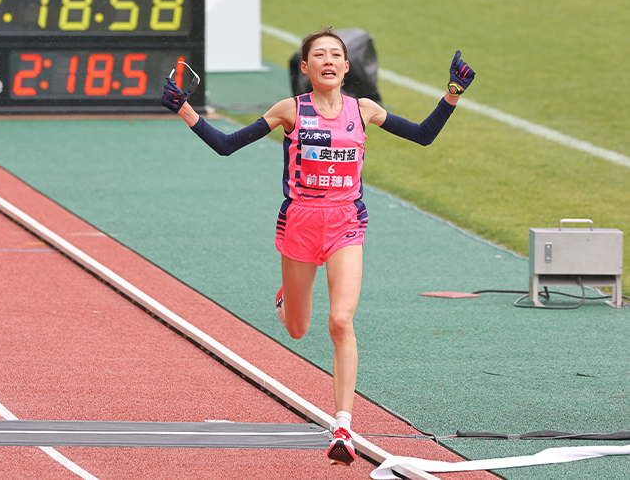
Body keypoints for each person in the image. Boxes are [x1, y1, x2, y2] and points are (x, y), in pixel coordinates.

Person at [161, 27, 475, 465]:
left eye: (336, 55)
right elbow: (228, 146)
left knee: (341, 321)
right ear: (305, 68)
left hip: (347, 223)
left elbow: (423, 135)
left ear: (347, 67)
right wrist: (185, 110)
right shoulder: (290, 110)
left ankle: (343, 426)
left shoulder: (364, 110)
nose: (328, 61)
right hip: (300, 225)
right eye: (319, 55)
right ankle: (285, 300)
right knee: (297, 328)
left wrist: (453, 93)